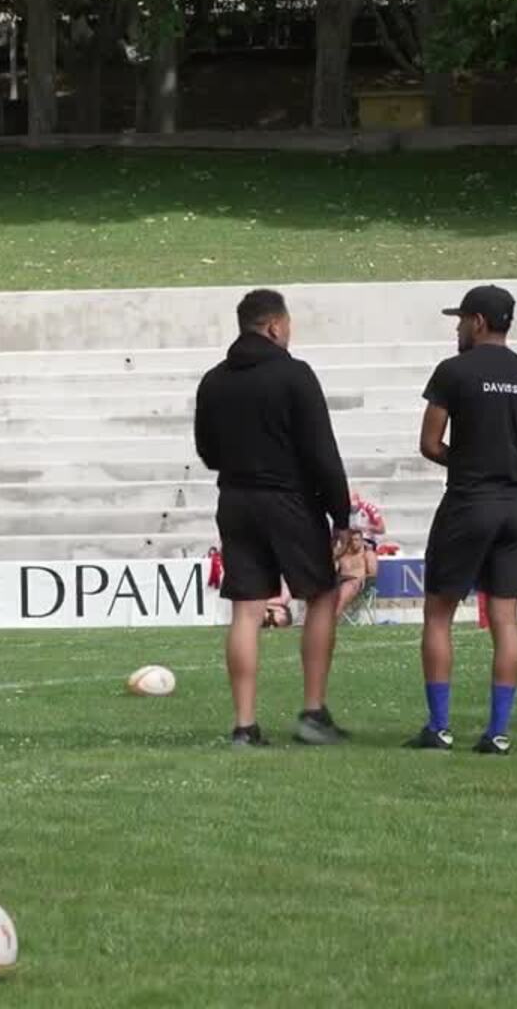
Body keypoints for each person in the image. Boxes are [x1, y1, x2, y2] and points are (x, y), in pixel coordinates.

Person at [194, 289, 353, 747]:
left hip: (236, 499)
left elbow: (207, 452)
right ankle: (313, 712)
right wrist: (340, 514)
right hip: (289, 500)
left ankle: (244, 725)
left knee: (246, 608)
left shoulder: (214, 380)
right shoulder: (295, 375)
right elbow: (322, 451)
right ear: (275, 327)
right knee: (320, 596)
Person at [408, 285, 517, 755]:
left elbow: (430, 444)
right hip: (514, 505)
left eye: (461, 320)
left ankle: (440, 726)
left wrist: (470, 461)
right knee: (506, 618)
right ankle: (499, 732)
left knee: (439, 614)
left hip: (469, 500)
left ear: (479, 323)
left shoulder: (454, 372)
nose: (457, 328)